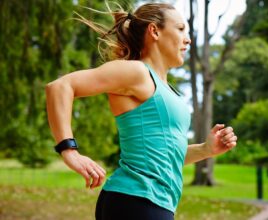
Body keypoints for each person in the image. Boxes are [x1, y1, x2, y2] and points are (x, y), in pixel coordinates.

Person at [46, 2, 238, 220]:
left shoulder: (164, 87)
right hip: (136, 201)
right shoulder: (136, 72)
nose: (188, 39)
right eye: (181, 29)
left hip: (150, 203)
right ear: (154, 31)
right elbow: (60, 87)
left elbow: (163, 155)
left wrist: (206, 149)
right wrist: (69, 150)